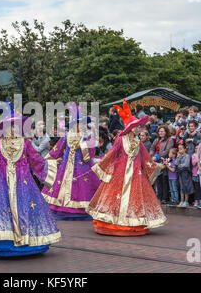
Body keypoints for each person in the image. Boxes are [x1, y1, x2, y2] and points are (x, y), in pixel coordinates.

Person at [0, 105, 61, 259]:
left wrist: (53, 165)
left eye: (15, 126)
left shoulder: (26, 143)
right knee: (1, 211)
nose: (13, 129)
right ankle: (3, 241)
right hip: (1, 186)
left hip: (23, 186)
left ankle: (26, 241)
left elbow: (37, 162)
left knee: (24, 209)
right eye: (10, 126)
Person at [87, 99, 167, 236]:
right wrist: (100, 165)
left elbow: (146, 158)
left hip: (136, 175)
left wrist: (156, 166)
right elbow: (111, 154)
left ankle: (133, 222)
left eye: (139, 126)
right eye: (136, 126)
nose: (138, 128)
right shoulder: (120, 139)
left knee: (135, 198)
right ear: (130, 127)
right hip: (119, 174)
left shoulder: (138, 142)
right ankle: (114, 222)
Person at [41, 104, 101, 220]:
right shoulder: (66, 136)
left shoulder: (88, 136)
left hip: (83, 168)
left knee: (83, 188)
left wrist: (82, 145)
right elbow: (57, 149)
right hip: (66, 167)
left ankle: (82, 210)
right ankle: (64, 209)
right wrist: (46, 160)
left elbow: (91, 153)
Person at [149, 125, 174, 203]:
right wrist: (152, 155)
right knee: (158, 180)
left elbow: (167, 150)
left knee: (164, 180)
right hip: (156, 161)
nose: (160, 133)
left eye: (162, 131)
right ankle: (159, 197)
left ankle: (164, 198)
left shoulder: (169, 140)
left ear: (166, 132)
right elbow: (152, 148)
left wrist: (157, 156)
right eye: (159, 131)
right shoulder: (157, 140)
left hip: (164, 161)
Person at [176, 142, 195, 208]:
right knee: (181, 186)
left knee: (186, 186)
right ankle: (181, 200)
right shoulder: (180, 156)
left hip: (186, 173)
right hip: (180, 173)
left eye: (181, 149)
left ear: (185, 149)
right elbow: (176, 163)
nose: (179, 150)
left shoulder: (187, 156)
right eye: (179, 149)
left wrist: (179, 166)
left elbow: (186, 165)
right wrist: (178, 157)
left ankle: (186, 201)